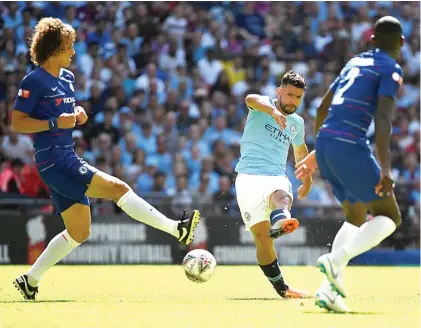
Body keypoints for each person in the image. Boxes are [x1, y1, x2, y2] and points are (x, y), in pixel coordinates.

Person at [11, 18, 201, 301]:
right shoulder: (34, 80)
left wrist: (77, 113)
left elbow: (64, 112)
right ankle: (177, 229)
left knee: (79, 231)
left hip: (65, 155)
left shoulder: (67, 78)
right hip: (53, 159)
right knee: (119, 189)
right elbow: (17, 123)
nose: (73, 52)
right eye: (68, 47)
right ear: (53, 48)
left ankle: (30, 280)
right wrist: (54, 123)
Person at [295, 16, 404, 313]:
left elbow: (321, 108)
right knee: (390, 217)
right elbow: (383, 120)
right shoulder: (390, 68)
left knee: (355, 216)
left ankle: (328, 291)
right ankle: (335, 260)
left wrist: (319, 151)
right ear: (401, 44)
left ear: (371, 40)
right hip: (350, 145)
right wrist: (385, 170)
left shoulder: (354, 62)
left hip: (328, 143)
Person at [235, 70, 312, 299]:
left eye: (297, 97)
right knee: (262, 240)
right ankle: (282, 289)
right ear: (279, 92)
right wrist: (274, 111)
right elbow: (250, 98)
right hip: (247, 178)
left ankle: (281, 218)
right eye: (288, 95)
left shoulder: (297, 123)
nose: (292, 101)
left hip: (274, 176)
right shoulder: (263, 105)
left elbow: (300, 151)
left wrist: (306, 180)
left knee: (282, 194)